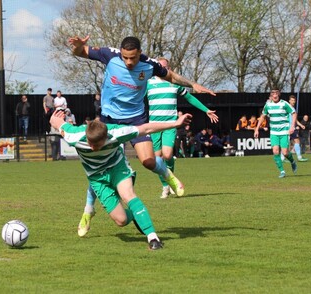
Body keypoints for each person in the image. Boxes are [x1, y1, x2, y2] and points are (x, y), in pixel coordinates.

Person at [68, 35, 215, 235]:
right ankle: (88, 210)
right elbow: (81, 52)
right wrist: (77, 47)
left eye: (133, 58)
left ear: (139, 54)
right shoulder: (108, 55)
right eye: (126, 58)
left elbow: (170, 76)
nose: (129, 62)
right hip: (109, 119)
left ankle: (166, 174)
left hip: (136, 118)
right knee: (100, 167)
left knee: (148, 161)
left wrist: (192, 84)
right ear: (121, 53)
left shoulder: (149, 65)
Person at [50, 109, 192, 250]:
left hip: (117, 168)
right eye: (90, 143)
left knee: (128, 195)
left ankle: (153, 238)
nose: (92, 148)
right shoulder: (73, 135)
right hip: (97, 179)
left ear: (105, 138)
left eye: (97, 145)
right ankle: (134, 214)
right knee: (121, 220)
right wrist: (55, 116)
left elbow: (147, 128)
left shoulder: (117, 133)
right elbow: (55, 122)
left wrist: (176, 123)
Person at [146, 57, 218, 198]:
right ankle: (165, 186)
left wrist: (206, 110)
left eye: (165, 67)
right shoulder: (148, 83)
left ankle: (171, 182)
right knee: (157, 158)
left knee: (167, 155)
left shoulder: (174, 84)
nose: (162, 69)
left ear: (169, 69)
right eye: (159, 66)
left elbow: (190, 98)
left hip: (170, 124)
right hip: (154, 125)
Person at [254, 89, 297, 178]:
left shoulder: (284, 104)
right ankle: (282, 171)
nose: (274, 95)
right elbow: (262, 116)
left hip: (284, 131)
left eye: (276, 93)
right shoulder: (268, 105)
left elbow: (293, 113)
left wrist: (292, 126)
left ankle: (292, 161)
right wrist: (257, 129)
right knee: (275, 151)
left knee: (285, 153)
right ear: (271, 95)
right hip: (274, 132)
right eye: (273, 93)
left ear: (279, 95)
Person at [281, 95, 308, 162]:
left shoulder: (293, 109)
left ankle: (299, 157)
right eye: (292, 100)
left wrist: (301, 125)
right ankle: (282, 158)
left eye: (294, 100)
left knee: (297, 141)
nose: (293, 102)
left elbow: (295, 119)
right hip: (288, 128)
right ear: (289, 101)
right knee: (286, 143)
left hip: (293, 128)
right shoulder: (287, 108)